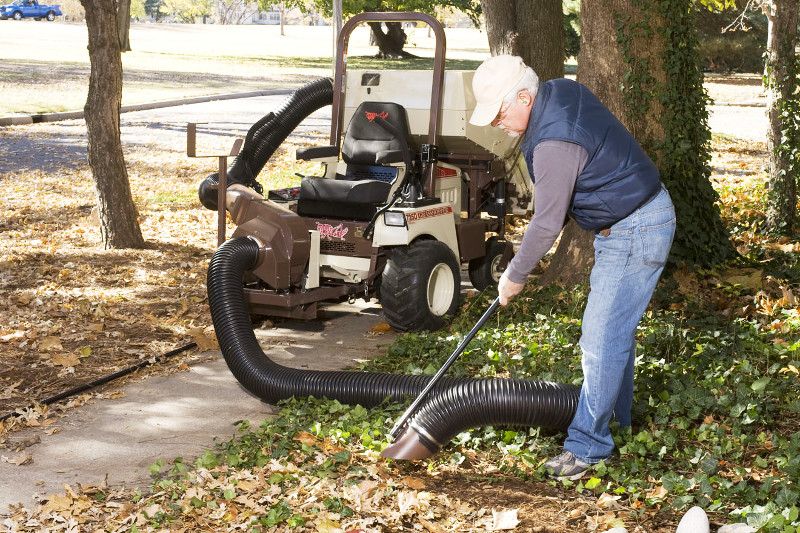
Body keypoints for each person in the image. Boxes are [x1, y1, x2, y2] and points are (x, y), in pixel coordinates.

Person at [469, 55, 676, 480]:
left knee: (600, 339)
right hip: (633, 220)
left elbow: (546, 222)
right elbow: (561, 201)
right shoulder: (559, 91)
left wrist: (515, 274)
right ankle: (617, 423)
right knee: (614, 333)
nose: (496, 123)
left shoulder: (553, 143)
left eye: (499, 112)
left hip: (634, 228)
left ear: (524, 97)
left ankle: (588, 448)